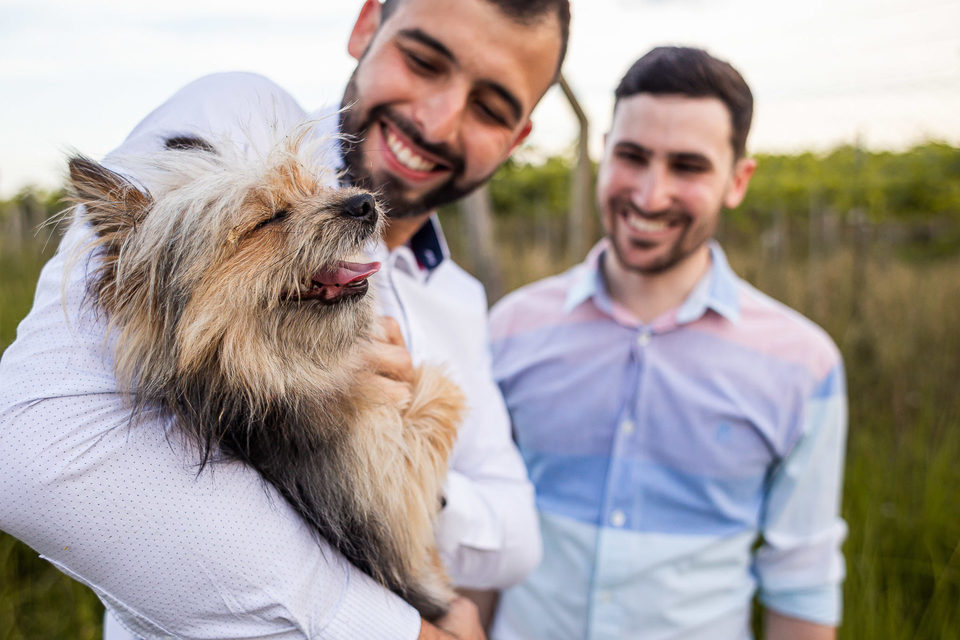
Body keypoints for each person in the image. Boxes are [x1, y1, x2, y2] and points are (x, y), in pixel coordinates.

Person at [0, 1, 570, 638]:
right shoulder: (237, 120)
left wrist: (404, 461)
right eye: (422, 61)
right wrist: (396, 630)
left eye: (490, 109)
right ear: (366, 24)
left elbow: (518, 539)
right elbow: (30, 450)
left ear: (518, 137)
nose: (437, 122)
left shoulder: (462, 300)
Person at [488, 47, 847, 640]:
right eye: (632, 157)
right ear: (605, 152)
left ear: (737, 180)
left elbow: (801, 582)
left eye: (688, 167)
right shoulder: (509, 331)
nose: (650, 196)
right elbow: (478, 540)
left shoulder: (804, 365)